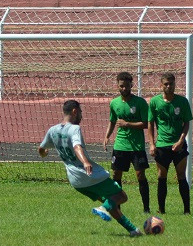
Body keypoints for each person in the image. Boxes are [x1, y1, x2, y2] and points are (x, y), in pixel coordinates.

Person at [39, 99, 142, 237]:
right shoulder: (74, 128)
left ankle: (133, 230)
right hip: (89, 175)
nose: (81, 116)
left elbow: (41, 148)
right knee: (121, 196)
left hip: (75, 181)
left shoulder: (53, 130)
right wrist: (85, 162)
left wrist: (44, 154)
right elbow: (77, 147)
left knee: (110, 202)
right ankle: (103, 208)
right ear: (75, 111)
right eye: (80, 112)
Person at [103, 71, 150, 213]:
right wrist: (107, 136)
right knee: (116, 175)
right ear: (117, 85)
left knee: (140, 175)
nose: (124, 89)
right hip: (120, 145)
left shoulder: (140, 102)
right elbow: (112, 122)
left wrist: (128, 124)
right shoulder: (114, 103)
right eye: (121, 86)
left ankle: (146, 208)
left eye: (127, 86)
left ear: (131, 85)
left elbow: (146, 124)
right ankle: (117, 207)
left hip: (136, 146)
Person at [148, 72, 193, 214]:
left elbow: (187, 122)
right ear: (161, 85)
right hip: (162, 145)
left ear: (175, 84)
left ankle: (187, 210)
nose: (169, 86)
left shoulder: (182, 102)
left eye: (171, 83)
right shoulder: (154, 102)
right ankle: (161, 210)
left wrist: (181, 140)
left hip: (178, 145)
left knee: (181, 175)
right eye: (166, 84)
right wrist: (151, 143)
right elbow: (150, 123)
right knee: (161, 176)